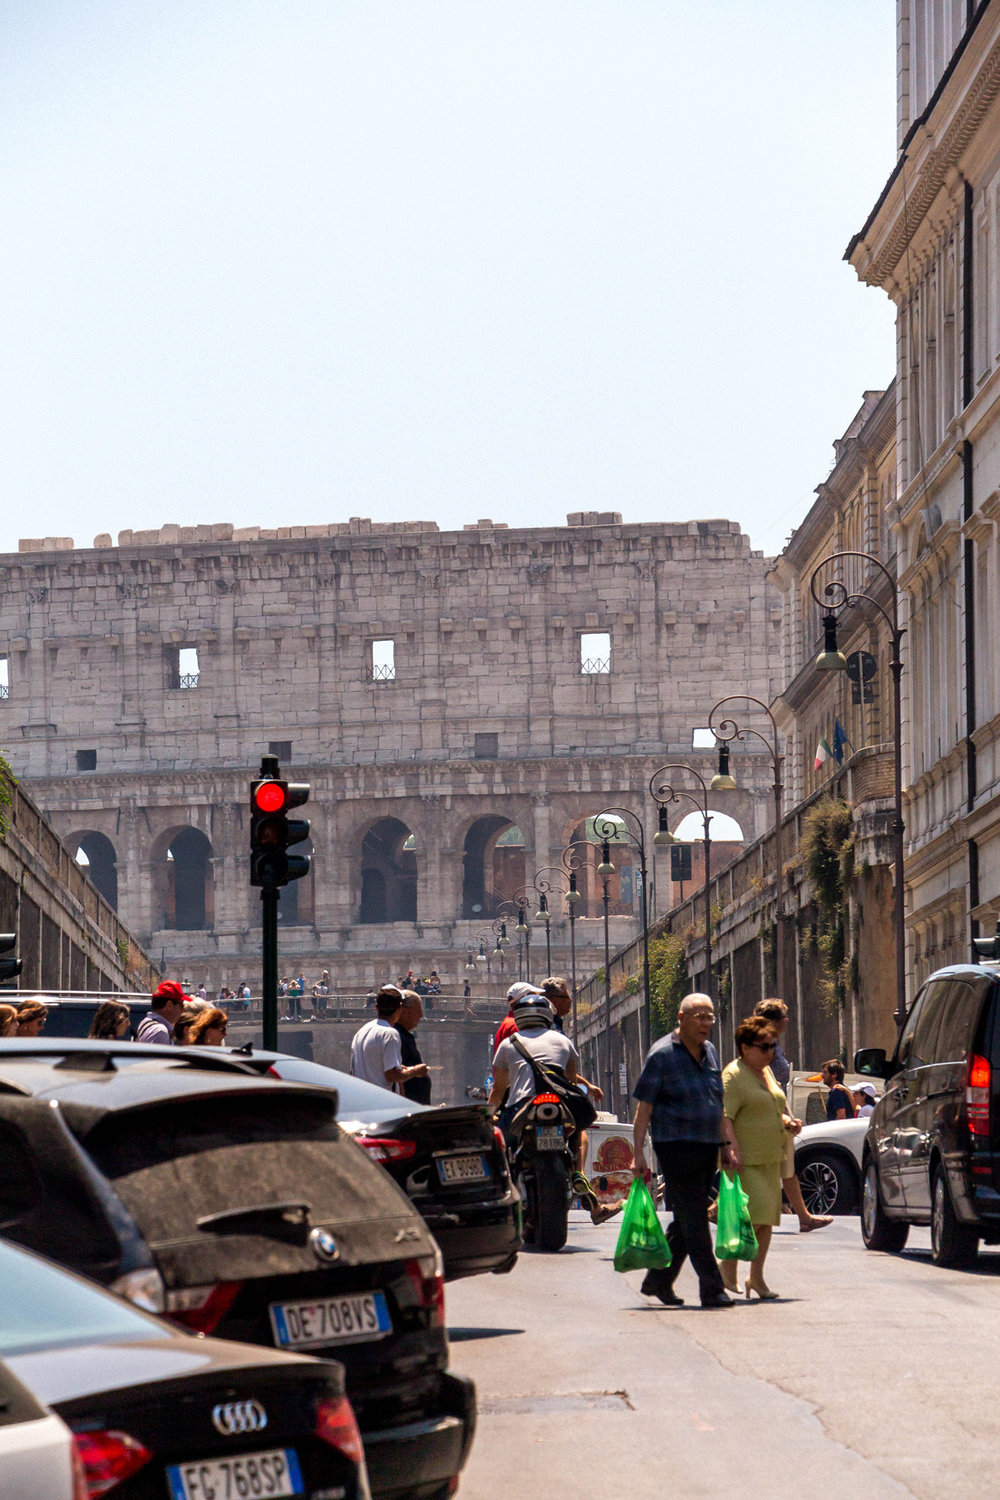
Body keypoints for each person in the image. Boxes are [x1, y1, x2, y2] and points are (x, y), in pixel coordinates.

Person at [632, 993, 740, 1309]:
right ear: (681, 1018)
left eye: (710, 1017)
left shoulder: (711, 1052)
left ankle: (658, 1280)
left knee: (686, 1218)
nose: (706, 1023)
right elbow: (645, 1106)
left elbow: (716, 1101)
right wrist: (638, 1152)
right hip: (675, 1146)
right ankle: (712, 1288)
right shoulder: (662, 1055)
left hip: (707, 1144)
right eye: (699, 1016)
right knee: (694, 1214)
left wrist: (726, 1145)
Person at [488, 992, 616, 1226]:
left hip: (522, 1106)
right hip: (558, 1106)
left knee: (504, 1148)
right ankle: (577, 1171)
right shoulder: (562, 1041)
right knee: (576, 1129)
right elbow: (570, 1084)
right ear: (547, 1015)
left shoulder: (508, 1044)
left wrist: (488, 1115)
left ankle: (504, 1192)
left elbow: (498, 1090)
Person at [718, 1014, 803, 1300]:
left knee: (766, 1219)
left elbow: (769, 1106)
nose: (770, 1052)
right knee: (749, 1218)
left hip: (769, 1157)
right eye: (764, 1047)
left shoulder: (765, 1073)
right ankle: (726, 1267)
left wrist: (787, 1121)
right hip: (745, 1160)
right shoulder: (733, 1075)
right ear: (745, 1047)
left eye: (773, 1046)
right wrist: (730, 1147)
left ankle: (756, 1278)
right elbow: (725, 1115)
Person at [754, 998, 832, 1233]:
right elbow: (764, 1083)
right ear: (773, 1021)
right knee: (764, 1170)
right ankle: (722, 1208)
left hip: (776, 1115)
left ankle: (804, 1217)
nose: (787, 1021)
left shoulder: (770, 1044)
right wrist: (785, 1116)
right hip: (767, 1118)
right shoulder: (761, 1045)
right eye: (783, 1017)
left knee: (787, 1171)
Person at [351, 985, 429, 1092]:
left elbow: (354, 1071)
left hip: (362, 1099)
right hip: (382, 1101)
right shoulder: (390, 1034)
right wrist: (415, 1070)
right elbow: (392, 1075)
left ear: (376, 1007)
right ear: (400, 1009)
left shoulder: (361, 1032)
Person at [395, 990, 432, 1105]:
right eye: (418, 1011)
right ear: (404, 1012)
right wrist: (415, 1071)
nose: (421, 1015)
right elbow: (395, 1072)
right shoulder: (396, 1036)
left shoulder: (406, 1035)